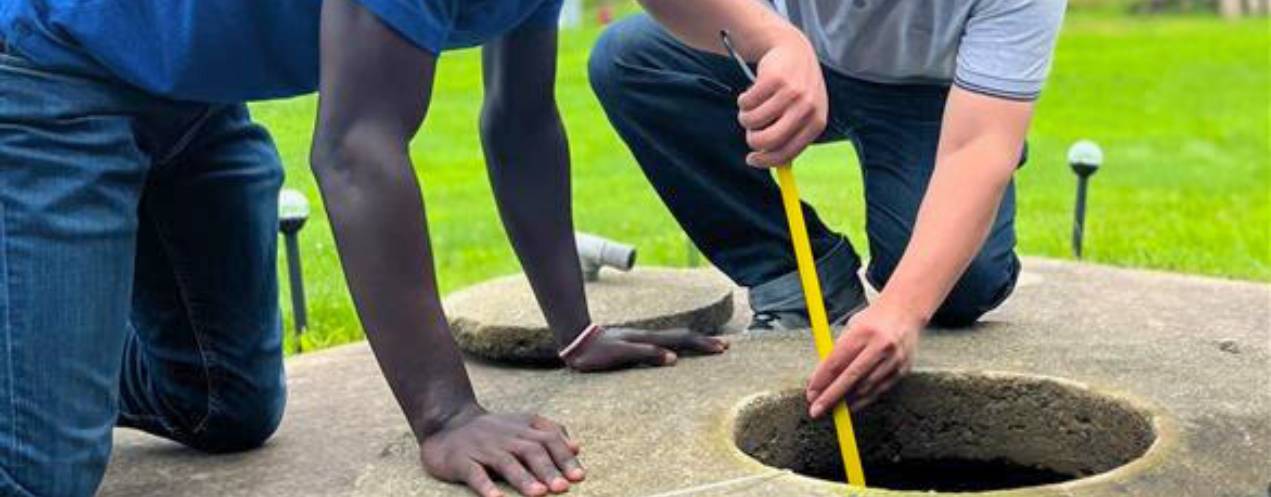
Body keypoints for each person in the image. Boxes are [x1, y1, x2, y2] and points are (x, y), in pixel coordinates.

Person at [0, 1, 726, 496]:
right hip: (49, 76)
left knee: (223, 404)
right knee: (41, 471)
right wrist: (447, 417)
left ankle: (43, 373)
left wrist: (577, 330)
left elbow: (521, 121)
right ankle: (38, 393)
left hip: (192, 95)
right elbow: (355, 151)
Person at [589, 0, 1065, 417]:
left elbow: (979, 146)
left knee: (958, 291)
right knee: (632, 59)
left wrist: (902, 311)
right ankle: (801, 278)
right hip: (775, 44)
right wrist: (775, 42)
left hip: (932, 93)